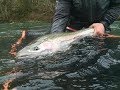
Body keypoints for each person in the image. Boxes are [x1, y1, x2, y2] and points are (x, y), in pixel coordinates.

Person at [51, 0, 120, 36]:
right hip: (74, 28)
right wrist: (55, 37)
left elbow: (117, 5)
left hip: (100, 27)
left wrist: (104, 23)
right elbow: (61, 16)